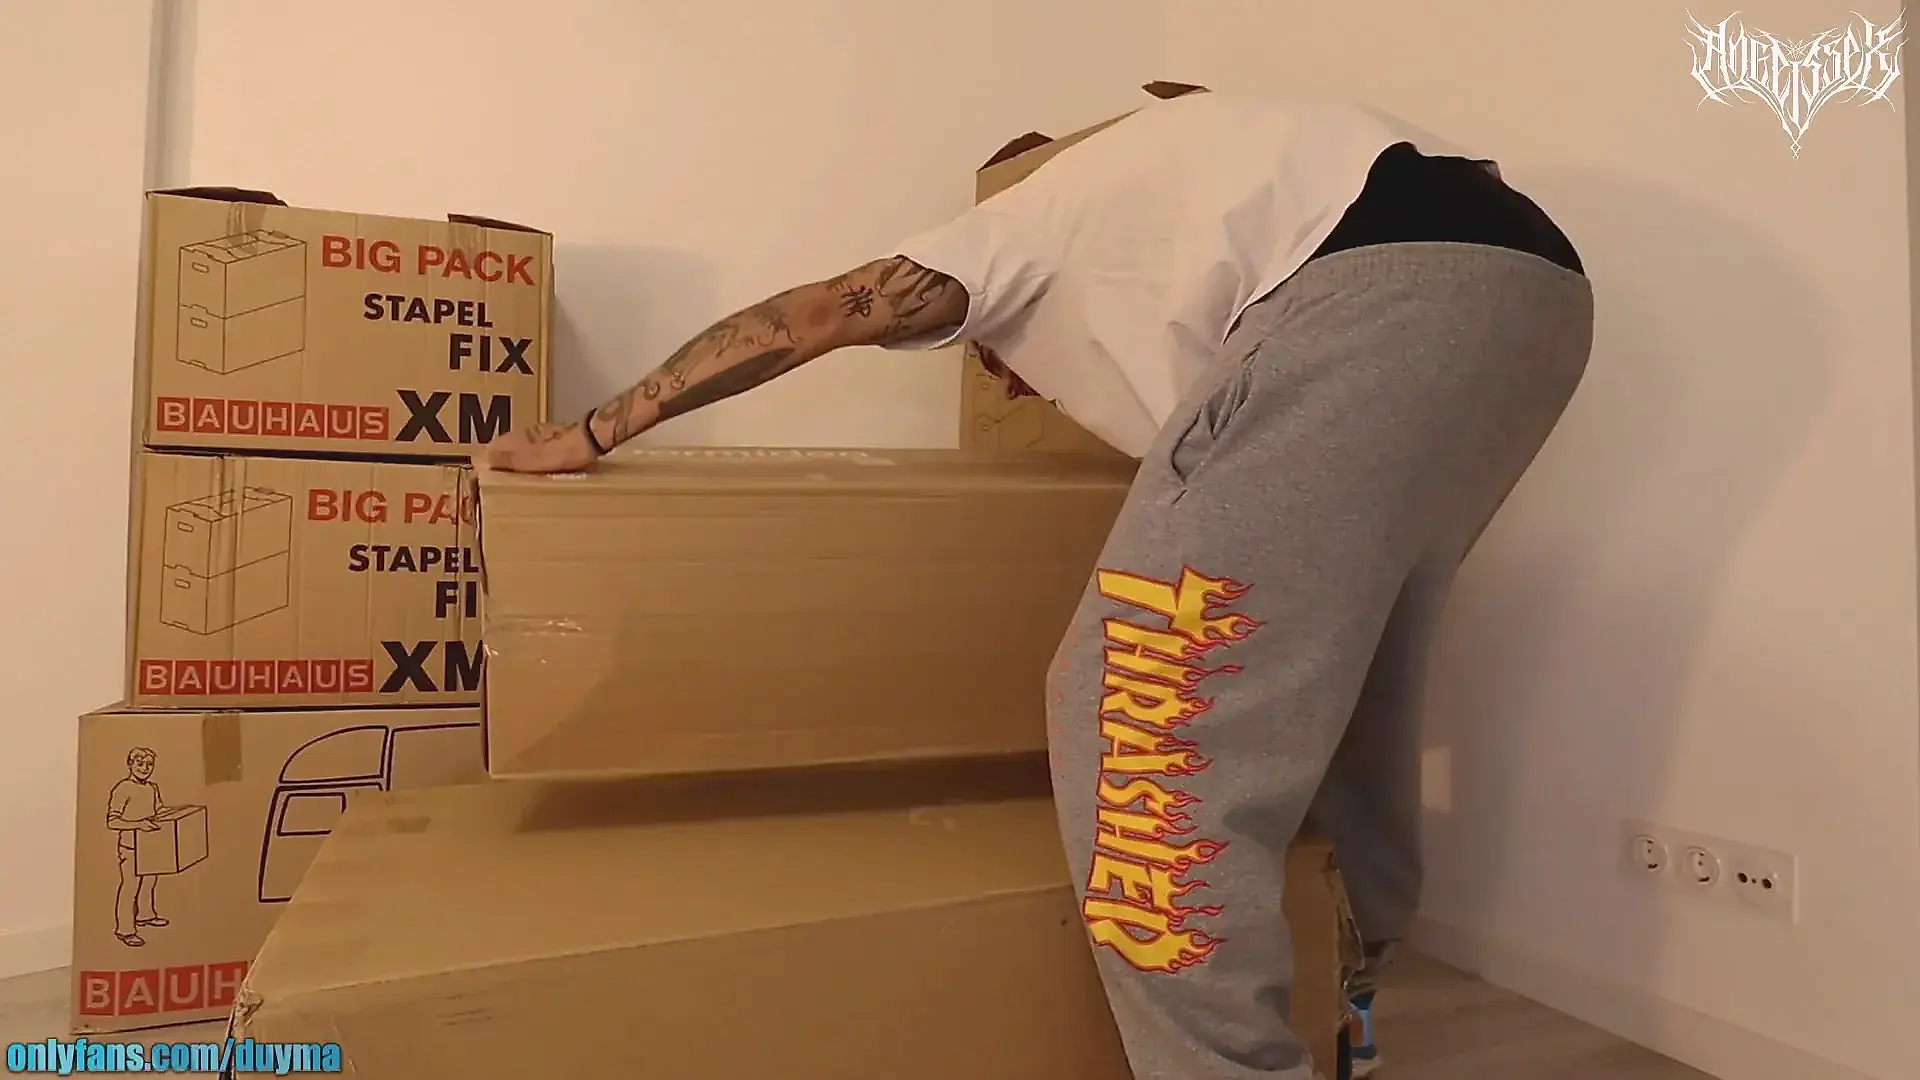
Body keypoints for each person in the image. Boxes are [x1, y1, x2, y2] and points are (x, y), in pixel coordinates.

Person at [488, 88, 1592, 1080]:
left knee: (1135, 705)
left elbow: (815, 315)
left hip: (1366, 291)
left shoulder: (1011, 228)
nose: (1012, 385)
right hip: (1532, 297)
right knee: (1347, 678)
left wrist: (592, 430)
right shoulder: (1185, 185)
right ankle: (1352, 1002)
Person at [106, 747, 170, 947]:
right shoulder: (122, 788)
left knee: (149, 882)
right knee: (130, 887)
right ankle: (125, 929)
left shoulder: (152, 788)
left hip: (150, 845)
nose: (145, 768)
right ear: (130, 765)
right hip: (130, 846)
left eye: (149, 764)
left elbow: (159, 810)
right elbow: (112, 821)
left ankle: (145, 915)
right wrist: (139, 824)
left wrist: (174, 813)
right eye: (140, 764)